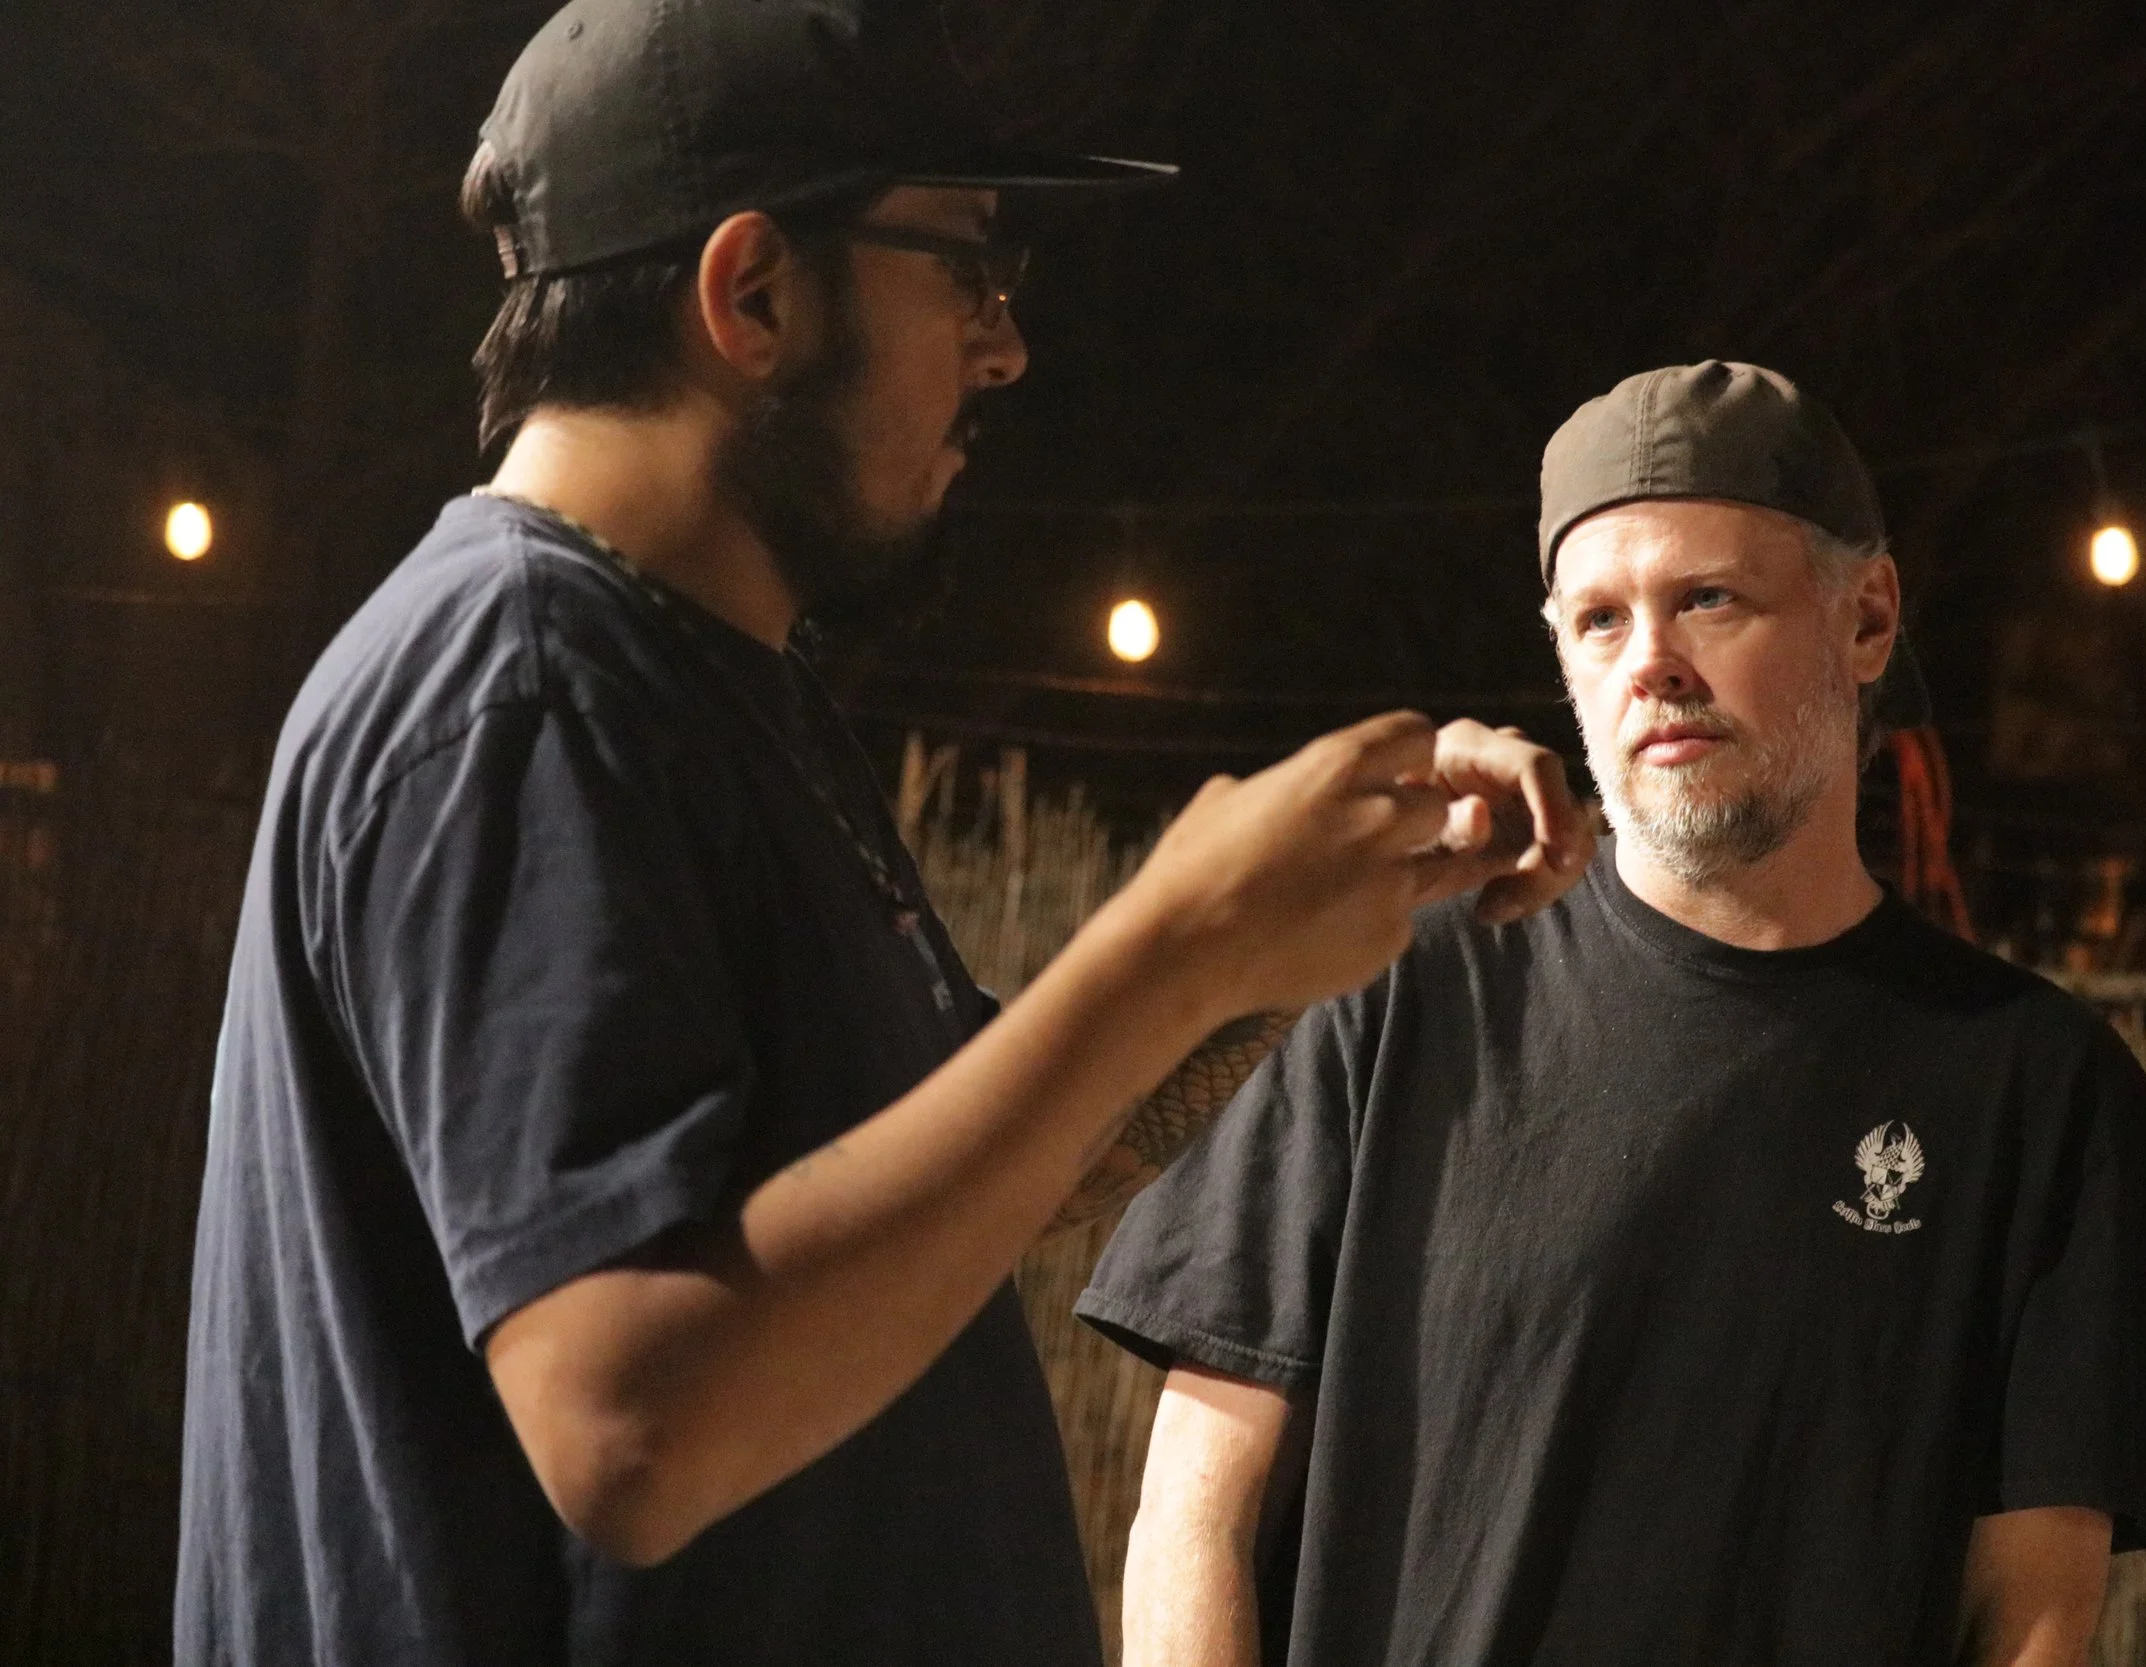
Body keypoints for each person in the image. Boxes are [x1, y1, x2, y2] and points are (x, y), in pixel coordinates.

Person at [171, 1, 1595, 1662]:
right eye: (968, 272)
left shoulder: (704, 680)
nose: (1005, 349)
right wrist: (1170, 942)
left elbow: (977, 1181)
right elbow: (629, 1423)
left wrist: (1309, 919)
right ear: (754, 295)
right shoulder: (523, 686)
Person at [1082, 361, 2146, 1667]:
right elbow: (1195, 1515)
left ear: (1870, 617)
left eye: (1708, 599)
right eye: (1601, 619)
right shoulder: (1379, 992)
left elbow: (2035, 1612)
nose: (1652, 662)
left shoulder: (2039, 1089)